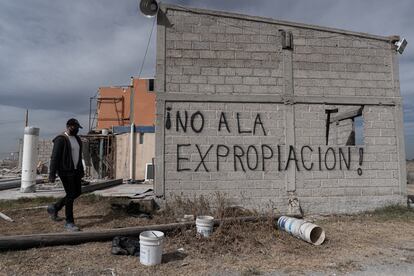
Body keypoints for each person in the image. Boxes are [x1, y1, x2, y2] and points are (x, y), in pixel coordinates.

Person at [47, 118, 84, 231]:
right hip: (65, 171)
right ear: (69, 126)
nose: (77, 130)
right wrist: (52, 174)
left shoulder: (77, 139)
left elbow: (78, 156)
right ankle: (69, 222)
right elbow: (55, 157)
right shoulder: (61, 139)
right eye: (75, 128)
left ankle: (55, 207)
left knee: (77, 192)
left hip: (75, 171)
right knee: (71, 194)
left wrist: (81, 170)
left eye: (78, 128)